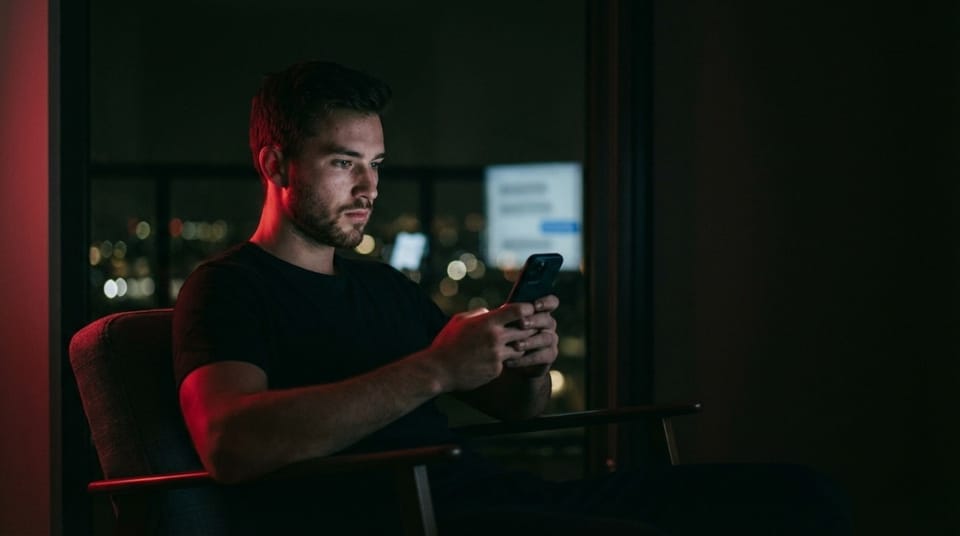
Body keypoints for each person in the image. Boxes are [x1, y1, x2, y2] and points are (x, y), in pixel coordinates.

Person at [173, 60, 852, 535]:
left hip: (492, 494)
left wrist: (523, 363)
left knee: (799, 495)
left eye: (376, 164)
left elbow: (514, 409)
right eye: (343, 162)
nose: (369, 188)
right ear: (274, 163)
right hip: (408, 521)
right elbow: (231, 442)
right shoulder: (230, 289)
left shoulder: (381, 286)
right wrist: (434, 368)